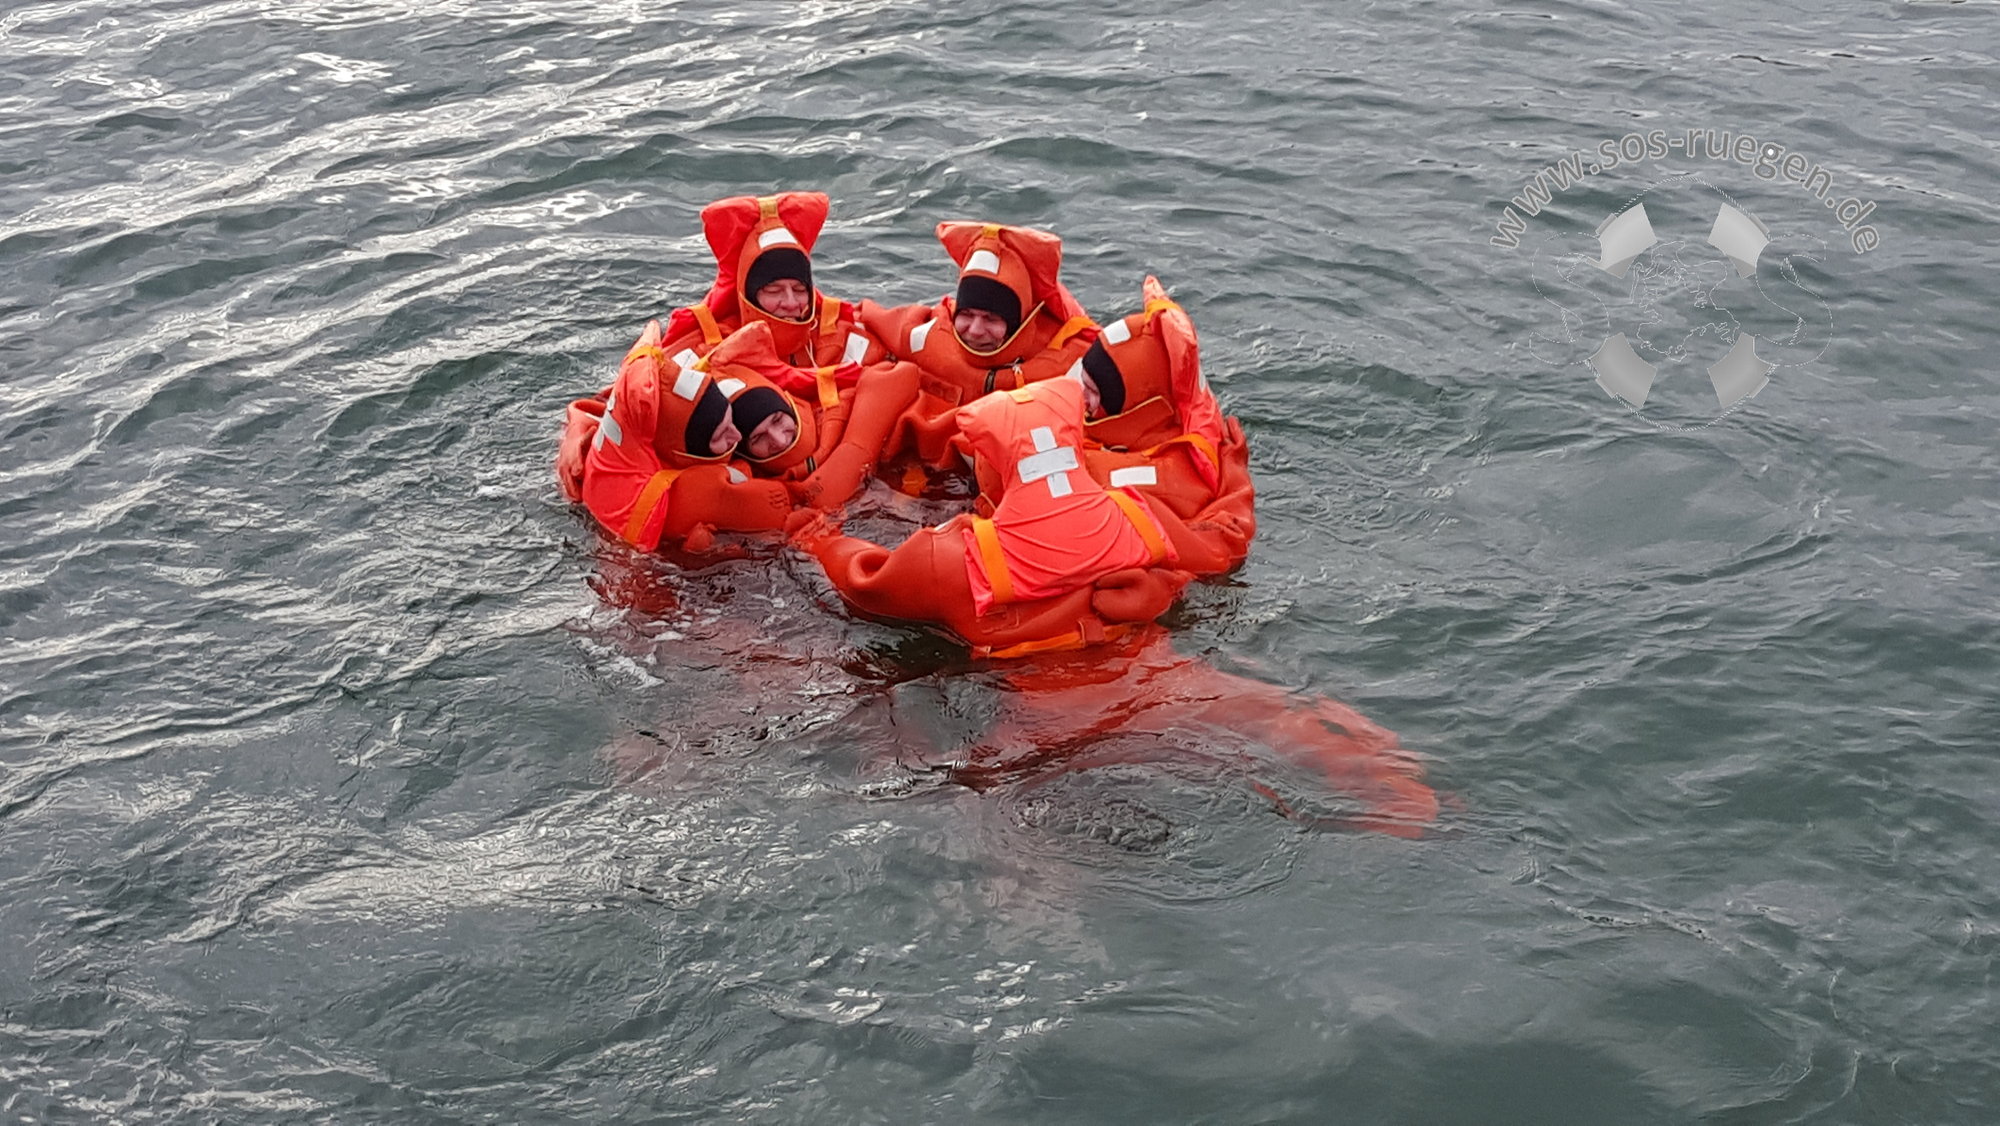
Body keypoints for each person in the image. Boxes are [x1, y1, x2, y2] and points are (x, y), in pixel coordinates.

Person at [795, 374, 1191, 657]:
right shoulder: (1139, 516)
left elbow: (863, 580)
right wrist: (1166, 590)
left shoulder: (949, 560)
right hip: (1162, 683)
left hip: (1037, 724)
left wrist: (816, 539)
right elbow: (1215, 554)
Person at [859, 222, 1100, 467]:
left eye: (991, 319)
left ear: (1018, 323)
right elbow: (859, 321)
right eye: (966, 314)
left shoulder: (1068, 364)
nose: (975, 330)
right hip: (918, 465)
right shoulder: (926, 332)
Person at [1063, 276, 1256, 576]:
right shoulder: (1110, 422)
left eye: (1093, 391)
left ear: (1133, 405)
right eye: (1083, 383)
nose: (1081, 397)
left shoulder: (1177, 481)